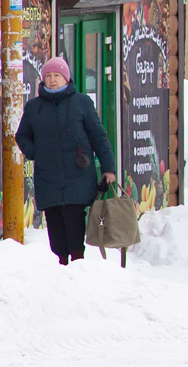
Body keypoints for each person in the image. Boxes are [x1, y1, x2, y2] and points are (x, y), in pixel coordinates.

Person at [16, 56, 117, 265]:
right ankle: (60, 265)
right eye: (49, 76)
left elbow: (99, 137)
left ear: (66, 78)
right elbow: (22, 136)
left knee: (74, 219)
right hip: (48, 177)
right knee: (54, 220)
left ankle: (78, 261)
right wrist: (35, 152)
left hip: (78, 176)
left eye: (57, 76)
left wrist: (108, 169)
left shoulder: (81, 103)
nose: (53, 80)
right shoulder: (34, 108)